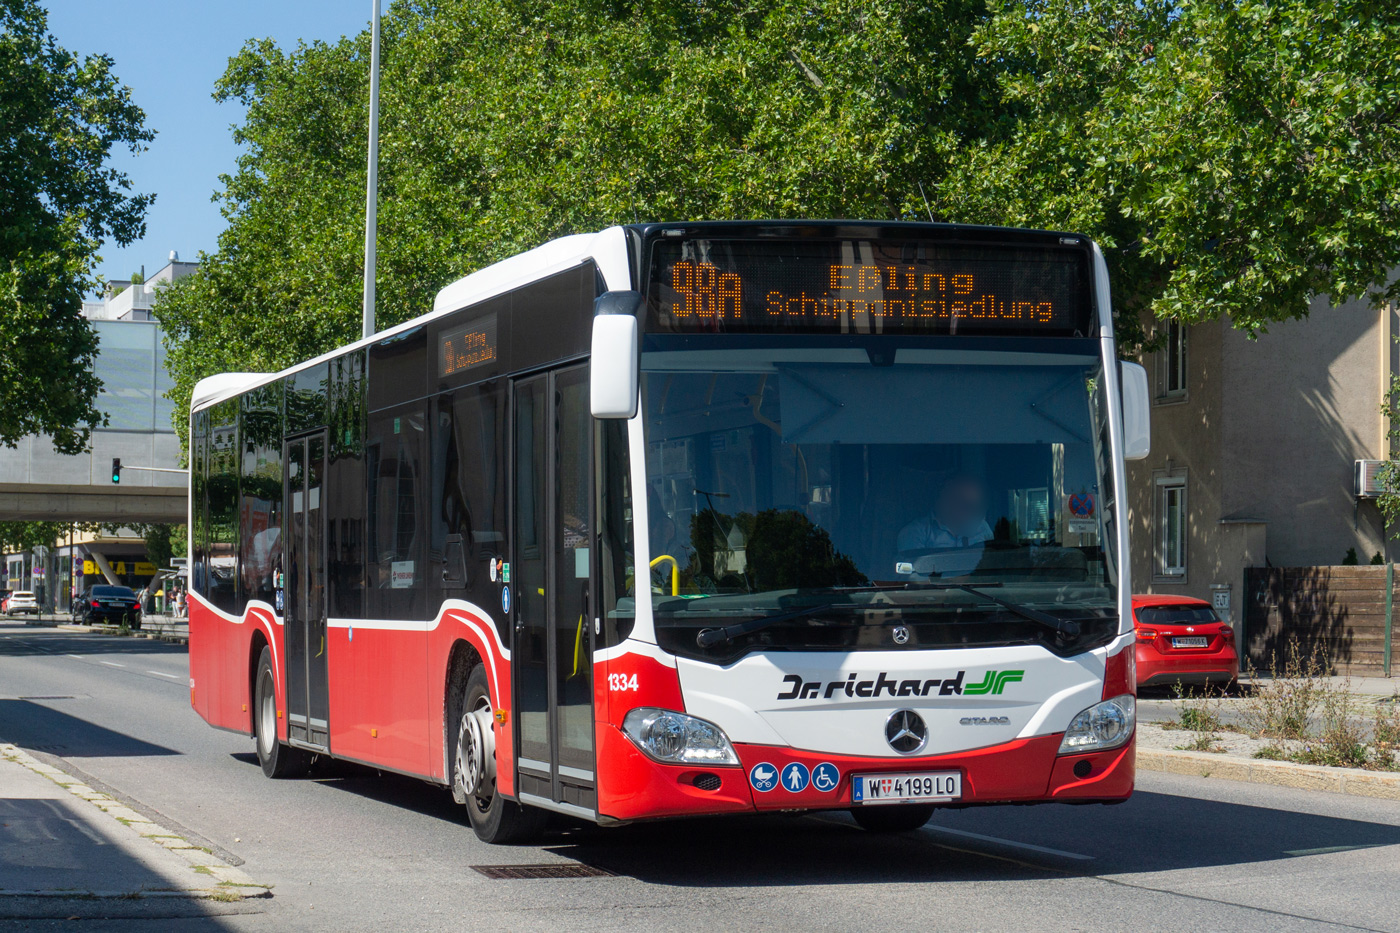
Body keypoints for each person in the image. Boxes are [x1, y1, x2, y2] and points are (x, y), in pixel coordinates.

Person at [896, 473, 993, 577]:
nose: (966, 510)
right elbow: (913, 577)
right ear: (941, 497)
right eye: (957, 499)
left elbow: (991, 567)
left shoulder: (982, 528)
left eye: (972, 505)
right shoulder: (914, 532)